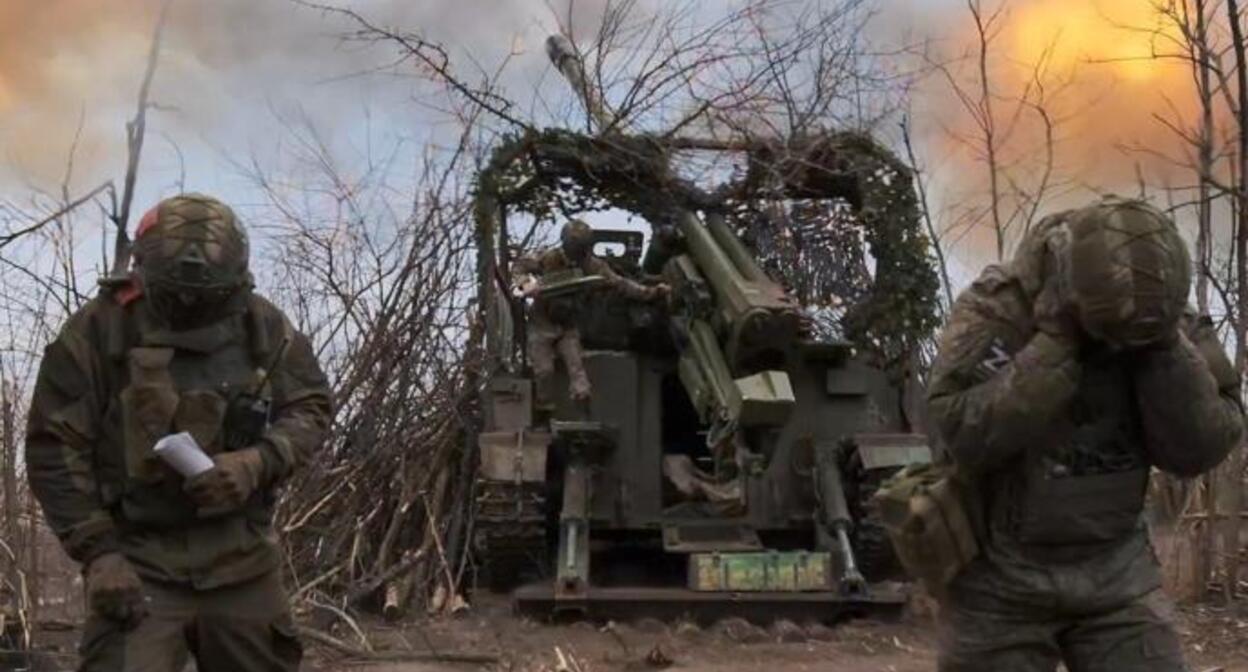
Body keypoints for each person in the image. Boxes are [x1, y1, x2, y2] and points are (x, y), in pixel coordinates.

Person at [926, 196, 1243, 672]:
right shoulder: (1003, 310)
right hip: (1001, 582)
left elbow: (1201, 446)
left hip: (1116, 579)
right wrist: (1054, 344)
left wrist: (1164, 352)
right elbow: (961, 431)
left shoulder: (1157, 305)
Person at [25, 194, 332, 672]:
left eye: (204, 299)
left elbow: (310, 406)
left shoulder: (264, 327)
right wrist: (99, 553)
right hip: (137, 560)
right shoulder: (99, 331)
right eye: (176, 296)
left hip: (241, 559)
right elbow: (55, 446)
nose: (189, 305)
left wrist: (258, 462)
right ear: (145, 275)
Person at [512, 219, 667, 411]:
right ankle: (544, 405)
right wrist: (526, 284)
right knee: (544, 371)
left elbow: (621, 285)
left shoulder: (594, 267)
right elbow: (519, 266)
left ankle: (582, 404)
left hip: (568, 327)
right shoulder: (548, 258)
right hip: (542, 323)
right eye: (573, 248)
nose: (576, 254)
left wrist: (651, 293)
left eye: (580, 249)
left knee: (579, 376)